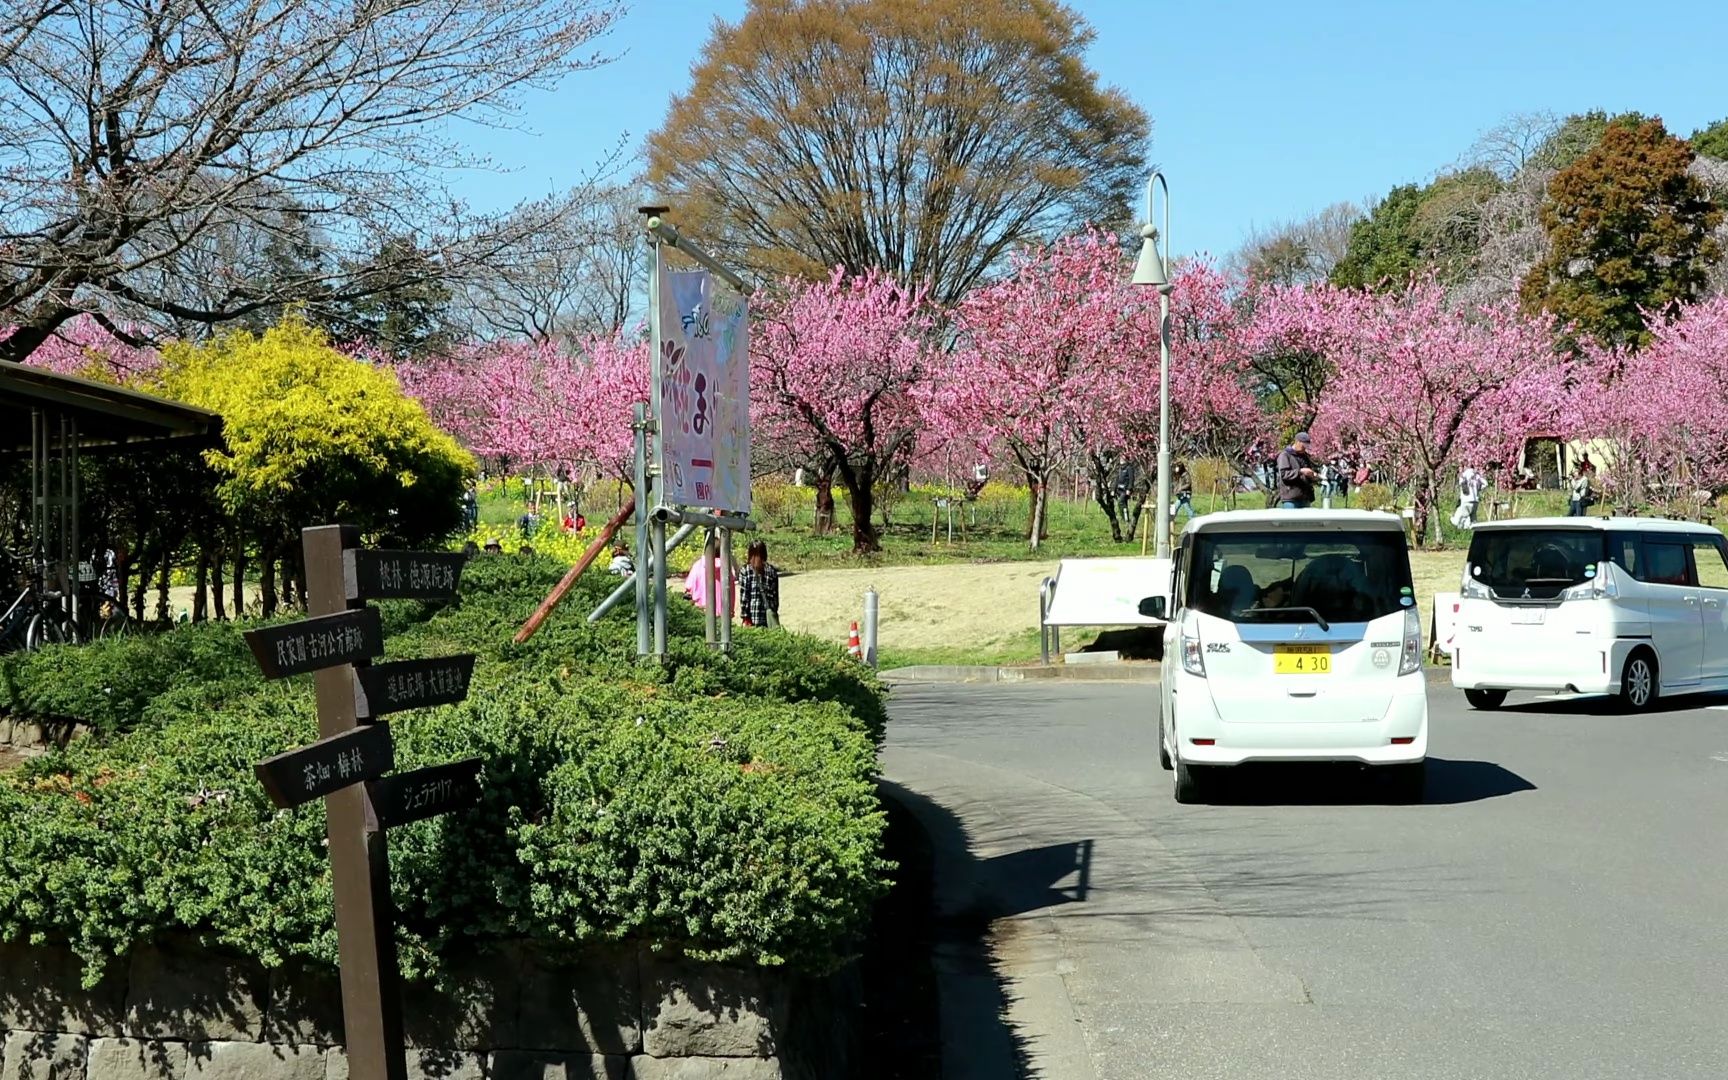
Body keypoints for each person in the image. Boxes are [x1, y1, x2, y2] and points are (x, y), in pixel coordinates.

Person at [738, 540, 781, 629]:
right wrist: (773, 611)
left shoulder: (745, 570)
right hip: (768, 617)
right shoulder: (771, 570)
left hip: (752, 617)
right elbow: (775, 598)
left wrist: (745, 616)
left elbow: (744, 597)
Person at [1274, 433, 1319, 509]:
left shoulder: (1305, 456)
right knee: (1291, 521)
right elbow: (1284, 474)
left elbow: (1307, 471)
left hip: (1305, 497)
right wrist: (1300, 471)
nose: (1305, 449)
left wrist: (1312, 475)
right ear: (1297, 442)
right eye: (1303, 446)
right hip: (1291, 499)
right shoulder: (1285, 455)